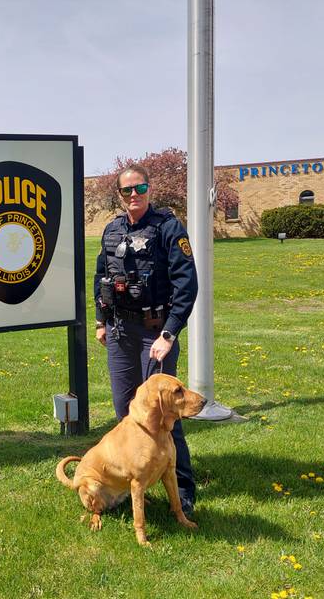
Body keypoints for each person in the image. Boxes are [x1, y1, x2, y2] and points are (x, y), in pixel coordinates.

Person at [93, 163, 199, 516]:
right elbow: (101, 278)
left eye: (140, 188)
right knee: (128, 414)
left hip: (155, 333)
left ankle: (182, 491)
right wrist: (101, 322)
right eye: (127, 191)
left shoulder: (169, 228)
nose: (134, 195)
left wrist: (169, 333)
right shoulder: (111, 231)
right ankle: (140, 479)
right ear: (120, 195)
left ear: (149, 189)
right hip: (122, 333)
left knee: (166, 413)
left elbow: (187, 284)